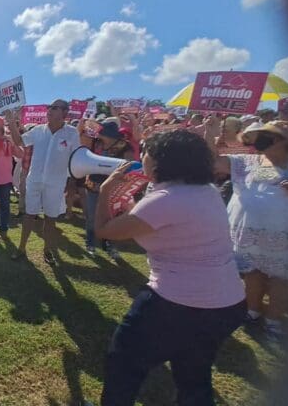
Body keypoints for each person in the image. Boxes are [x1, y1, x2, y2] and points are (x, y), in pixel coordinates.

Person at [95, 130, 245, 406]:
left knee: (124, 363)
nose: (142, 156)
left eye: (147, 152)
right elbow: (161, 221)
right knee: (193, 375)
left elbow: (105, 230)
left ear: (162, 160)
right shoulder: (206, 190)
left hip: (176, 304)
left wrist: (105, 190)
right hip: (227, 302)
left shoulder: (165, 199)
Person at [207, 120, 288, 341]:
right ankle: (252, 311)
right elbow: (213, 162)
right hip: (248, 235)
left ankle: (273, 320)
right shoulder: (246, 161)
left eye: (268, 136)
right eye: (258, 135)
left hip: (286, 236)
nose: (260, 140)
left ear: (283, 141)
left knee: (282, 279)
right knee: (252, 274)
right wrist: (210, 132)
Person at [7, 99, 81, 264]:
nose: (49, 110)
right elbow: (19, 142)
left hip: (56, 183)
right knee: (29, 215)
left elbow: (76, 157)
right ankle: (21, 248)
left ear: (64, 113)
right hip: (34, 180)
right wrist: (12, 124)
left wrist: (71, 181)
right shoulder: (38, 130)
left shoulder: (72, 133)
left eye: (54, 108)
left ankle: (47, 250)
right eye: (49, 107)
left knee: (50, 219)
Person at [84, 121, 135, 257]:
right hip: (93, 185)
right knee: (91, 217)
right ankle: (90, 243)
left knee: (111, 218)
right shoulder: (96, 142)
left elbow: (128, 165)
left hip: (112, 188)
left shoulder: (124, 146)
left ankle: (110, 245)